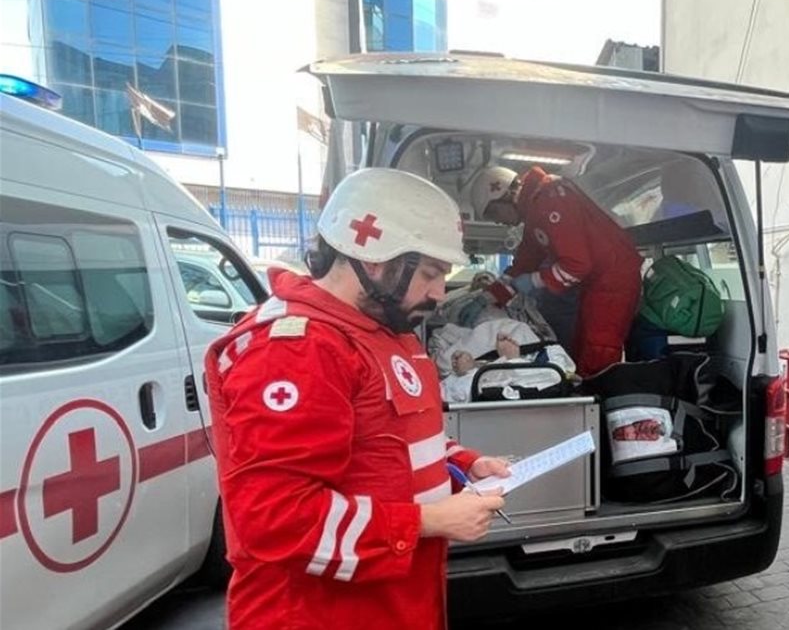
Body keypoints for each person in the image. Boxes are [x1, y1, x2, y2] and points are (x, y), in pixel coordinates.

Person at [204, 168, 511, 629]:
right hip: (321, 615)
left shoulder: (383, 330)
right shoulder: (297, 350)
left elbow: (386, 438)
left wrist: (464, 464)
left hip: (391, 604)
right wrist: (428, 522)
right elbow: (275, 519)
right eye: (430, 273)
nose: (437, 292)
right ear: (373, 261)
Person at [469, 165, 643, 376]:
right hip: (598, 280)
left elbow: (576, 265)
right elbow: (525, 262)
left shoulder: (550, 200)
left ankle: (597, 393)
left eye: (494, 213)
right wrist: (489, 297)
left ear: (504, 195)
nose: (498, 221)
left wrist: (534, 280)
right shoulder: (536, 208)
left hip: (613, 280)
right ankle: (585, 389)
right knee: (582, 347)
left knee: (598, 348)